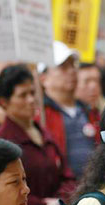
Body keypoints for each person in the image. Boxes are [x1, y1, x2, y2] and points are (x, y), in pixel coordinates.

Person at [0, 64, 75, 205]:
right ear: (3, 102)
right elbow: (3, 191)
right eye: (22, 95)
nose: (31, 100)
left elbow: (67, 176)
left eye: (32, 93)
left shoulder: (45, 134)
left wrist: (59, 202)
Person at [41, 41, 100, 179]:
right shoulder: (41, 115)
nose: (72, 71)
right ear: (44, 78)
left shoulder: (89, 112)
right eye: (63, 67)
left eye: (73, 65)